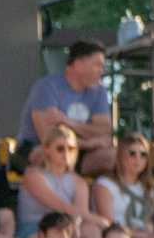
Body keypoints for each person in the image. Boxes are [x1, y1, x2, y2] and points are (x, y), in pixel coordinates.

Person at [16, 40, 114, 175]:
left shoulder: (99, 91)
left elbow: (105, 130)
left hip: (79, 152)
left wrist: (66, 121)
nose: (101, 71)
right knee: (48, 155)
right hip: (38, 147)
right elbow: (49, 139)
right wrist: (92, 142)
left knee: (112, 158)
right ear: (78, 64)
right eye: (98, 65)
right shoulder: (46, 87)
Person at [16, 125, 104, 238]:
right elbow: (61, 206)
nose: (66, 153)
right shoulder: (33, 175)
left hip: (64, 229)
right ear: (46, 149)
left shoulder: (79, 182)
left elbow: (78, 215)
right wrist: (96, 219)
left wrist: (82, 223)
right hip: (34, 230)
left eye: (71, 149)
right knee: (89, 228)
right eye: (60, 148)